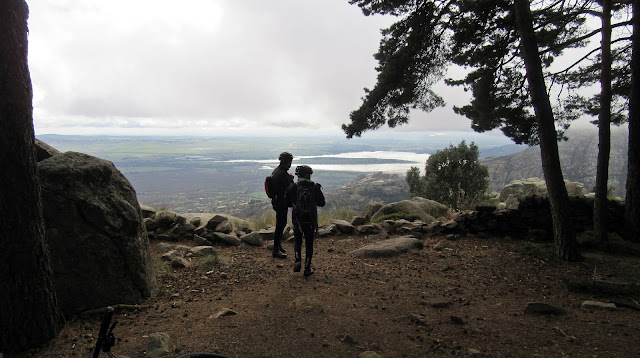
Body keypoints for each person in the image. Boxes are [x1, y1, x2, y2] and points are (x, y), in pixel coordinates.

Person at [286, 165, 325, 277]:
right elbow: (321, 203)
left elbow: (288, 203)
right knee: (309, 243)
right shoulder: (315, 187)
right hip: (310, 219)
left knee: (298, 241)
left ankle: (298, 259)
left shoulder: (293, 186)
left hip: (297, 219)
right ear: (309, 175)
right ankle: (307, 268)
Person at [270, 151, 294, 259]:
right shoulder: (282, 174)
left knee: (281, 224)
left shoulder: (277, 170)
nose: (290, 164)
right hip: (281, 203)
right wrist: (291, 181)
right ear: (287, 162)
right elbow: (290, 188)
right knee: (280, 226)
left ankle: (278, 246)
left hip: (277, 202)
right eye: (290, 161)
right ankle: (276, 250)